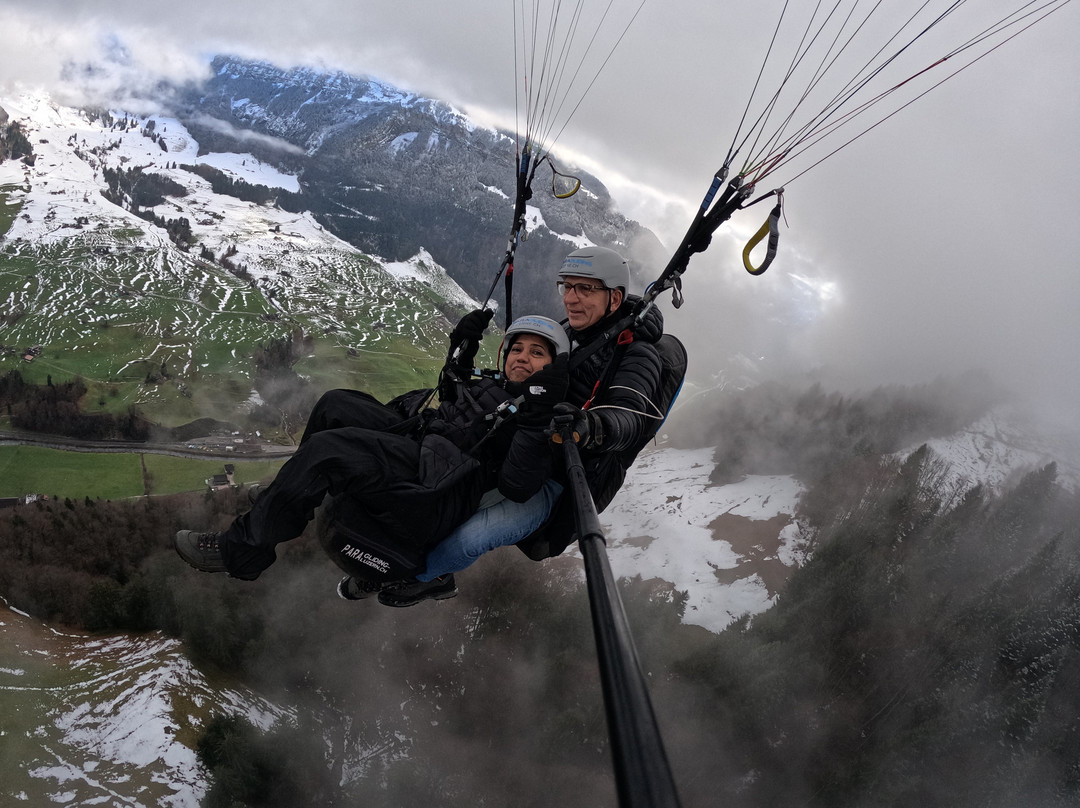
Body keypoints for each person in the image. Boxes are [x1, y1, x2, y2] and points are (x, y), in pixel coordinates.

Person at [174, 312, 571, 602]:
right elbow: (458, 406)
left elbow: (519, 485)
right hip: (426, 444)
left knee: (327, 453)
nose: (522, 357)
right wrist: (462, 351)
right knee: (334, 404)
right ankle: (284, 493)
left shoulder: (544, 417)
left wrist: (538, 415)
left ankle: (240, 552)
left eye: (537, 354)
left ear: (553, 369)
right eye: (517, 348)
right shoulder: (499, 386)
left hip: (435, 485)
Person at [391, 245, 666, 586]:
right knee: (433, 496)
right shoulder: (570, 334)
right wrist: (462, 359)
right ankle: (387, 555)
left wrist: (589, 426)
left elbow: (629, 417)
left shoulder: (638, 354)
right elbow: (517, 386)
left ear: (614, 298)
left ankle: (419, 579)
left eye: (586, 288)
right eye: (567, 286)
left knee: (472, 536)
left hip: (556, 479)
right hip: (517, 449)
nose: (571, 298)